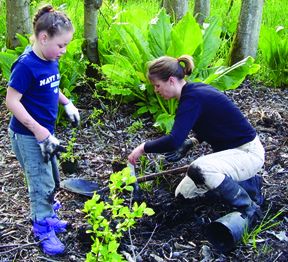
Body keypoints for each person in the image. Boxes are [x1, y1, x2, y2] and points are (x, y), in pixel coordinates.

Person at [128, 55, 265, 229]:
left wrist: (142, 148)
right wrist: (192, 142)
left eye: (157, 85)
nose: (156, 90)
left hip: (247, 153)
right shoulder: (192, 93)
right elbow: (214, 123)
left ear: (171, 81)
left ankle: (249, 208)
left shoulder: (192, 98)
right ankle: (246, 184)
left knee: (200, 169)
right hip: (232, 154)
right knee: (183, 195)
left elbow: (173, 141)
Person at [5, 5, 80, 256]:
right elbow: (11, 101)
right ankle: (42, 225)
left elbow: (51, 85)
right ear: (43, 37)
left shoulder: (49, 59)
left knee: (53, 177)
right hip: (28, 135)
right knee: (40, 182)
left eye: (67, 45)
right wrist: (38, 131)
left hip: (45, 133)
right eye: (61, 45)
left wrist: (67, 103)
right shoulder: (27, 65)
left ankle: (46, 211)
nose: (64, 51)